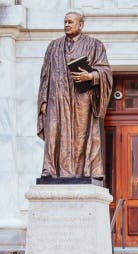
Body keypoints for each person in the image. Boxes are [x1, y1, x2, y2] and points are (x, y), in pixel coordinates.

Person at [37, 9, 113, 181]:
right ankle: (50, 169)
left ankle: (85, 171)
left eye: (71, 22)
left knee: (82, 135)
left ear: (81, 24)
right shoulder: (54, 46)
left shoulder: (95, 45)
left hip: (82, 99)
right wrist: (43, 100)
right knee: (54, 131)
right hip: (57, 98)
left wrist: (91, 76)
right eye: (65, 21)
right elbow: (45, 74)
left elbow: (106, 71)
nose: (67, 25)